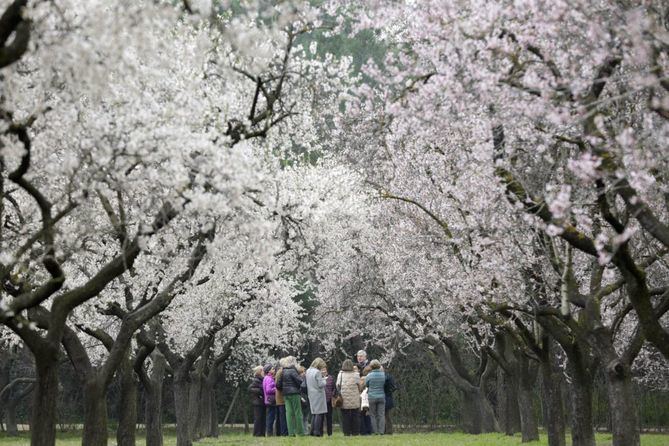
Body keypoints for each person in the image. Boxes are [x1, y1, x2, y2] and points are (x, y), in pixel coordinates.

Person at [277, 356, 303, 436]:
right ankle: (300, 432)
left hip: (286, 394)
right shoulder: (293, 371)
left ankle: (291, 433)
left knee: (288, 413)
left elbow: (278, 385)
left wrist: (284, 389)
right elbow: (300, 381)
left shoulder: (283, 371)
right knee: (298, 413)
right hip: (294, 393)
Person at [337, 359, 361, 436]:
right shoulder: (356, 374)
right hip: (355, 397)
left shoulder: (340, 374)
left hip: (344, 398)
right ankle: (355, 432)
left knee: (345, 416)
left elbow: (338, 385)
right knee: (355, 415)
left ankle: (346, 432)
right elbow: (359, 386)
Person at [306, 357, 328, 436]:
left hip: (311, 394)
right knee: (319, 413)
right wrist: (324, 379)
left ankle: (312, 431)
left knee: (314, 413)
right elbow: (320, 384)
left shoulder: (308, 371)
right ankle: (317, 432)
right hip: (318, 394)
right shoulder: (317, 372)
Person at [365, 359, 386, 434]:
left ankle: (375, 431)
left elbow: (366, 384)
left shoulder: (369, 375)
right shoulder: (383, 375)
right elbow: (384, 384)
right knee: (381, 414)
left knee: (372, 414)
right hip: (381, 396)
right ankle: (381, 431)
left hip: (372, 396)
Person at [248, 365, 265, 437]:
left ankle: (261, 433)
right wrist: (260, 391)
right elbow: (250, 389)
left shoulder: (261, 379)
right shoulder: (256, 380)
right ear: (260, 371)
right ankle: (256, 434)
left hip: (260, 402)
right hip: (258, 402)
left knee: (261, 418)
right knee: (258, 418)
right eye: (263, 370)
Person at [274, 358, 289, 436]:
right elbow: (278, 385)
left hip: (279, 397)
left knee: (280, 416)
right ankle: (284, 433)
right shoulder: (281, 372)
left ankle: (279, 433)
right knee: (283, 417)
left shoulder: (278, 372)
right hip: (281, 397)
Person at [262, 364, 277, 436]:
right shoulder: (269, 378)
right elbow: (268, 390)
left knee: (270, 417)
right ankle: (269, 433)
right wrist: (275, 389)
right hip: (270, 400)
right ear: (268, 371)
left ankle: (269, 433)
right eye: (272, 369)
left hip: (268, 400)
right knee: (270, 418)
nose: (274, 370)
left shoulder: (267, 378)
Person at [359, 365, 373, 435]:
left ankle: (364, 431)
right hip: (367, 399)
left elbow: (360, 389)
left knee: (362, 416)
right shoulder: (369, 379)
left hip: (362, 399)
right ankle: (369, 430)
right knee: (367, 416)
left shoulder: (361, 379)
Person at [384, 367, 397, 434]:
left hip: (386, 398)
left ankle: (388, 431)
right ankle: (388, 430)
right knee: (387, 416)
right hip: (388, 397)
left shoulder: (386, 377)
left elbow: (393, 387)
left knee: (387, 416)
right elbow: (394, 387)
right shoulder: (389, 377)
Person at [324, 367, 336, 436]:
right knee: (321, 417)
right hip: (321, 400)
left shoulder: (331, 378)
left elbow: (334, 388)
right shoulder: (319, 378)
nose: (323, 372)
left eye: (324, 370)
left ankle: (330, 433)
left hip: (329, 400)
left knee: (329, 417)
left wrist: (332, 395)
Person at [299, 365, 310, 433]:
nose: (304, 373)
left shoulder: (307, 379)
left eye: (304, 372)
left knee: (306, 417)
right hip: (301, 398)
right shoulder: (299, 380)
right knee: (302, 416)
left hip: (306, 398)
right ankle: (303, 430)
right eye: (302, 372)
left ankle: (306, 430)